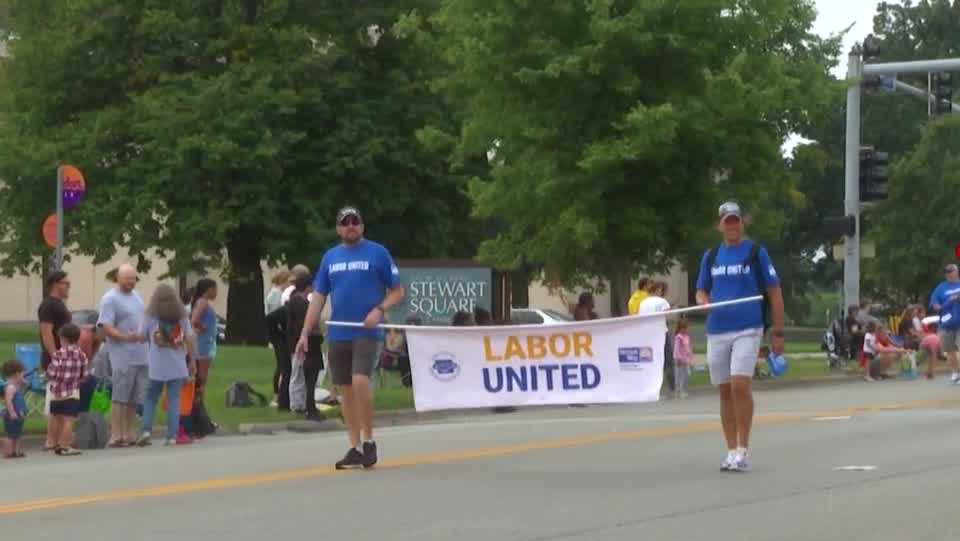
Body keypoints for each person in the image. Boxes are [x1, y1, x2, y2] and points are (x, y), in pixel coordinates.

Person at [296, 206, 405, 470]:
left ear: (362, 226)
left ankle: (369, 441)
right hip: (339, 331)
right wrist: (305, 332)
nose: (350, 226)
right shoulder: (330, 258)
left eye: (355, 221)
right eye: (345, 223)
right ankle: (355, 446)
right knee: (345, 390)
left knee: (360, 381)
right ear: (338, 229)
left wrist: (379, 310)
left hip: (366, 330)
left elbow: (397, 291)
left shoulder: (377, 253)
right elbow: (319, 297)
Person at [695, 201, 784, 473]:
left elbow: (774, 292)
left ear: (742, 223)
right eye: (727, 221)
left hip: (748, 326)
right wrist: (704, 302)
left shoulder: (756, 252)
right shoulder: (710, 257)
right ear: (719, 226)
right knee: (724, 390)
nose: (732, 225)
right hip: (718, 328)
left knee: (739, 385)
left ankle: (743, 449)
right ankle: (731, 449)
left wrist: (778, 332)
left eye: (736, 220)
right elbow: (701, 290)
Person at [137, 284, 196, 447]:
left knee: (150, 397)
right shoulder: (182, 314)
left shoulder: (150, 315)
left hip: (156, 363)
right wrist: (192, 360)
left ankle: (146, 431)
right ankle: (171, 436)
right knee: (174, 399)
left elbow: (141, 336)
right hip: (177, 363)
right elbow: (190, 337)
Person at [97, 263, 148, 447]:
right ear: (117, 278)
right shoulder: (110, 299)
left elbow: (143, 320)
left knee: (134, 396)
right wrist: (126, 337)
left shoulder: (138, 297)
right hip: (122, 355)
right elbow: (106, 326)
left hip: (140, 353)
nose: (131, 282)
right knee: (120, 396)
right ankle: (116, 434)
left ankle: (129, 433)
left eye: (133, 278)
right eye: (127, 278)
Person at [268, 272, 325, 420]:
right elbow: (302, 325)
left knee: (299, 374)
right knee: (299, 375)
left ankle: (300, 404)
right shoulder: (299, 302)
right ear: (308, 287)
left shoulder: (297, 301)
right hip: (304, 345)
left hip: (300, 343)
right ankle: (299, 405)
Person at [38, 270, 72, 450]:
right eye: (66, 283)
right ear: (55, 284)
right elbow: (46, 332)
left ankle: (59, 439)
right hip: (55, 361)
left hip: (64, 359)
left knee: (61, 399)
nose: (69, 286)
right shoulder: (49, 305)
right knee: (54, 400)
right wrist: (56, 357)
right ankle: (51, 440)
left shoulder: (59, 305)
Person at [45, 323, 88, 456]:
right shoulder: (82, 355)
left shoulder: (58, 354)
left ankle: (56, 442)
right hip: (72, 392)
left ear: (63, 339)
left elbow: (51, 372)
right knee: (68, 420)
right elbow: (84, 375)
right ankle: (65, 446)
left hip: (56, 392)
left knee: (56, 418)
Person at [929, 264, 960, 384]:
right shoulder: (941, 287)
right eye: (947, 272)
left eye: (951, 272)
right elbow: (934, 302)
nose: (949, 274)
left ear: (957, 272)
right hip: (947, 323)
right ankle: (955, 373)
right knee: (949, 349)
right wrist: (937, 305)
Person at [190, 278, 219, 399]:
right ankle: (198, 408)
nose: (216, 293)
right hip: (203, 345)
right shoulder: (203, 303)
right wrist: (203, 328)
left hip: (205, 343)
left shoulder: (202, 302)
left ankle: (197, 409)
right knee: (201, 379)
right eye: (215, 289)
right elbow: (194, 320)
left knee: (200, 378)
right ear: (209, 289)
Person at [2, 360, 27, 459]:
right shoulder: (10, 387)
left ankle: (16, 451)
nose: (23, 376)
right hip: (12, 414)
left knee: (18, 433)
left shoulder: (16, 386)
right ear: (16, 374)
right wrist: (12, 412)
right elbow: (8, 401)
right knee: (11, 434)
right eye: (22, 374)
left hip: (19, 414)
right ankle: (9, 451)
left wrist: (23, 383)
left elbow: (22, 391)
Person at [672, 320, 693, 399]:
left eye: (686, 328)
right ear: (680, 329)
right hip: (679, 360)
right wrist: (679, 358)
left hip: (685, 359)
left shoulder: (687, 337)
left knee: (686, 376)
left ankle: (683, 390)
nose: (684, 330)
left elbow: (688, 348)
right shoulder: (678, 337)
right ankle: (678, 392)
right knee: (679, 376)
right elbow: (677, 349)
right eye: (683, 328)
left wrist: (690, 357)